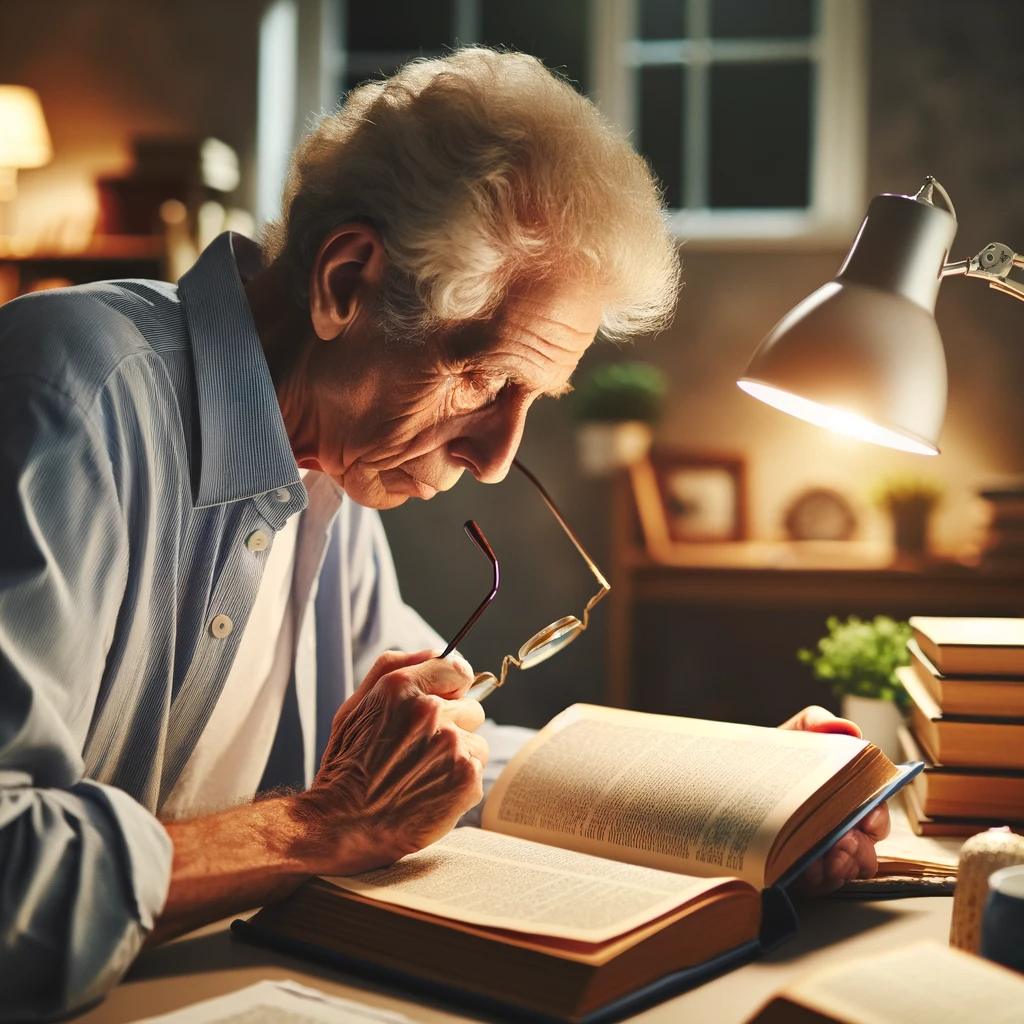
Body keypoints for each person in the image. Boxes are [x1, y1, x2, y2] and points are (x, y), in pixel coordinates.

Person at [0, 48, 887, 1019]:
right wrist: (322, 823)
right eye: (485, 376)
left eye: (533, 400)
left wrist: (747, 805)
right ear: (345, 280)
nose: (500, 455)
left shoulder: (328, 476)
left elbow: (438, 760)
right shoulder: (63, 399)